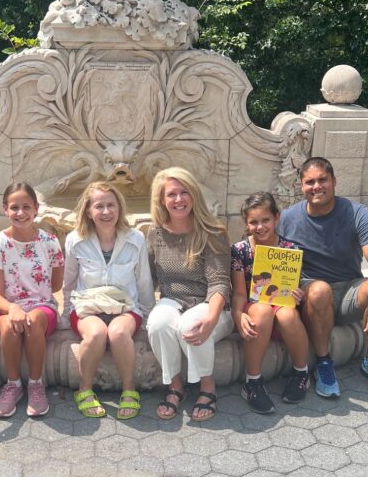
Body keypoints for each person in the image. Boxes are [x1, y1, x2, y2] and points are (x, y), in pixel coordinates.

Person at [278, 156, 368, 396]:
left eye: (323, 180)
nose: (316, 186)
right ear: (301, 186)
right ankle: (323, 362)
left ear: (334, 181)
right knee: (320, 290)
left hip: (350, 287)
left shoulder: (357, 213)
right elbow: (273, 260)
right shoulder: (289, 218)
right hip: (314, 292)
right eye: (310, 182)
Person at [145, 168, 233, 422]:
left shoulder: (213, 232)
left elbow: (219, 283)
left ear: (194, 195)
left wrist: (212, 317)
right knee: (158, 324)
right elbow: (149, 278)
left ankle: (207, 387)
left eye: (184, 192)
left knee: (191, 325)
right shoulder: (155, 233)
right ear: (162, 200)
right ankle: (175, 387)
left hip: (210, 303)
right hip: (172, 300)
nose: (178, 199)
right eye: (171, 194)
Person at [63, 182, 155, 419]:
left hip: (125, 307)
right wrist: (65, 315)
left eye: (111, 205)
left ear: (120, 208)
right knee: (96, 334)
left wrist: (148, 316)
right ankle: (85, 389)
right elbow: (69, 281)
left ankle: (129, 389)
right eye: (99, 206)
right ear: (88, 211)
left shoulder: (135, 239)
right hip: (86, 306)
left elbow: (144, 281)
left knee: (117, 334)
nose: (106, 212)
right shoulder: (76, 240)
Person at [0, 183, 64, 418]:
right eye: (14, 207)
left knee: (34, 319)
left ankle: (36, 384)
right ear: (5, 210)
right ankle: (13, 384)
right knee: (10, 324)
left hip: (42, 308)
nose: (20, 213)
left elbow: (56, 287)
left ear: (36, 209)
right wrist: (13, 308)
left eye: (26, 207)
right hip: (7, 309)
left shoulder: (50, 242)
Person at [231, 192, 312, 414]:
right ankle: (252, 382)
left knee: (286, 314)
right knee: (264, 310)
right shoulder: (240, 251)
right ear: (246, 224)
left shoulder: (290, 249)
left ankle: (301, 372)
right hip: (255, 308)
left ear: (276, 218)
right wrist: (238, 315)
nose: (260, 227)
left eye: (265, 220)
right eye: (253, 222)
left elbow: (293, 291)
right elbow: (239, 292)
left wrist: (298, 295)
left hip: (282, 306)